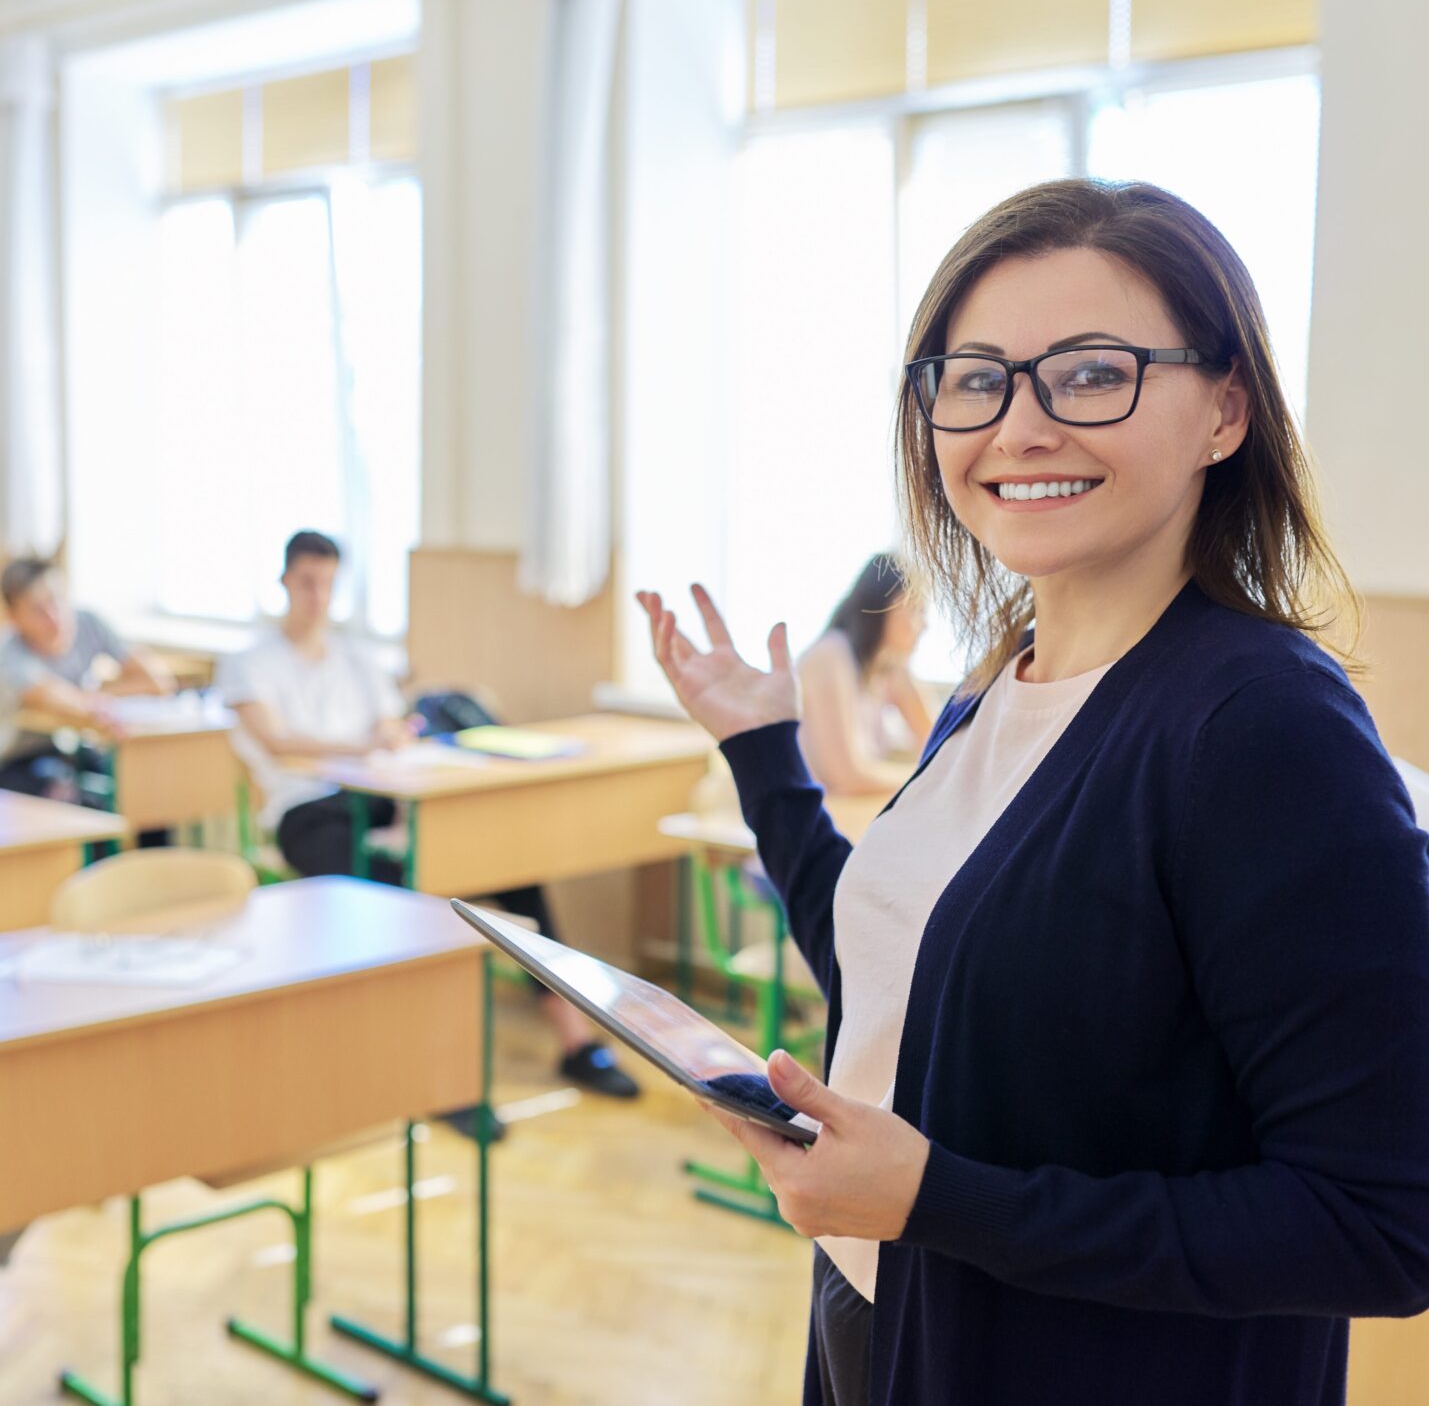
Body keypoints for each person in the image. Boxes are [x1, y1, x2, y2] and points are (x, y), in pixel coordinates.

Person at [636, 178, 1429, 1406]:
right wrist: (762, 750)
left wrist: (933, 1196)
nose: (1019, 425)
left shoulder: (1264, 728)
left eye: (1091, 372)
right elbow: (900, 991)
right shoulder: (995, 684)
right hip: (884, 1308)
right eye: (974, 377)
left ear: (1225, 409)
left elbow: (1383, 1221)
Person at [218, 531, 638, 1100]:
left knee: (512, 867)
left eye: (327, 583)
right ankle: (435, 1075)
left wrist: (388, 736)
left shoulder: (357, 660)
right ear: (286, 581)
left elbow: (393, 729)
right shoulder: (250, 661)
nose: (317, 596)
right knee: (408, 903)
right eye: (307, 582)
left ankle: (577, 1043)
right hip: (304, 812)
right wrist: (363, 745)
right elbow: (276, 742)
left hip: (383, 799)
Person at [0, 557, 174, 802]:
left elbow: (157, 681)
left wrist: (101, 696)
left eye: (56, 600)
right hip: (16, 761)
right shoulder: (10, 652)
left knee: (142, 786)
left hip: (73, 750)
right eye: (37, 609)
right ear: (14, 618)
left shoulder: (88, 623)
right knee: (70, 795)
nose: (53, 616)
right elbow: (50, 695)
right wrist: (98, 703)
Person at [797, 554, 932, 794]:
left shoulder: (886, 671)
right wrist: (926, 781)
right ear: (884, 604)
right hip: (812, 815)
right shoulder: (830, 656)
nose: (923, 625)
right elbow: (846, 778)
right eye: (916, 609)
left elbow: (937, 747)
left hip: (840, 813)